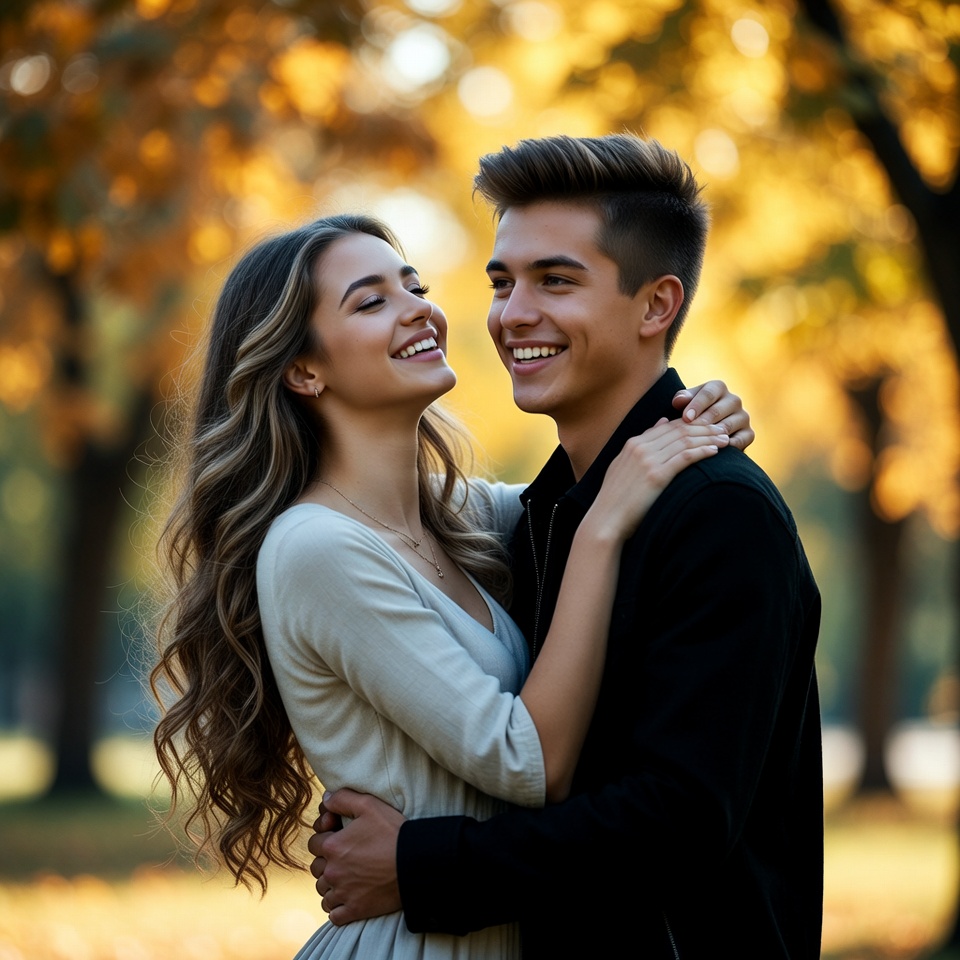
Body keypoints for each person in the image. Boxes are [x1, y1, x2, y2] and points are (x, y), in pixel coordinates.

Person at [150, 211, 752, 960]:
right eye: (371, 302)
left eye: (415, 286)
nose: (419, 310)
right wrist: (603, 530)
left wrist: (695, 408)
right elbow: (525, 760)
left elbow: (583, 481)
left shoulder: (455, 516)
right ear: (304, 370)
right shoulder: (316, 548)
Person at [309, 135, 823, 959]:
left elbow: (678, 821)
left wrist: (419, 864)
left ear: (656, 307)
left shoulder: (719, 516)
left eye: (556, 280)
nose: (513, 316)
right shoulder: (542, 516)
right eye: (503, 283)